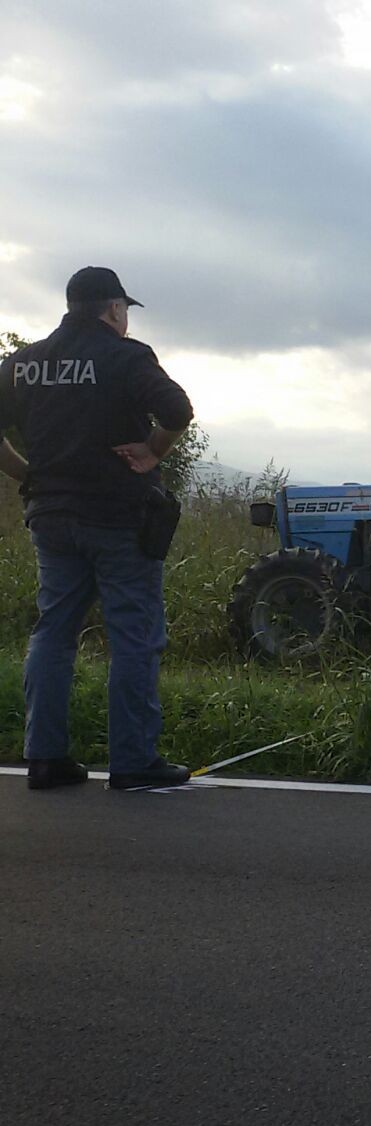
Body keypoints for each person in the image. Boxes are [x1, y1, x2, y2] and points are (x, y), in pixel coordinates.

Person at [0, 267, 195, 789]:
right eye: (125, 310)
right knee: (134, 637)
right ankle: (133, 763)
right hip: (116, 518)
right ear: (113, 309)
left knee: (53, 632)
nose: (126, 319)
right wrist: (154, 449)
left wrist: (26, 472)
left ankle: (44, 760)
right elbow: (177, 409)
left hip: (50, 515)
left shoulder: (24, 363)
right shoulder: (125, 357)